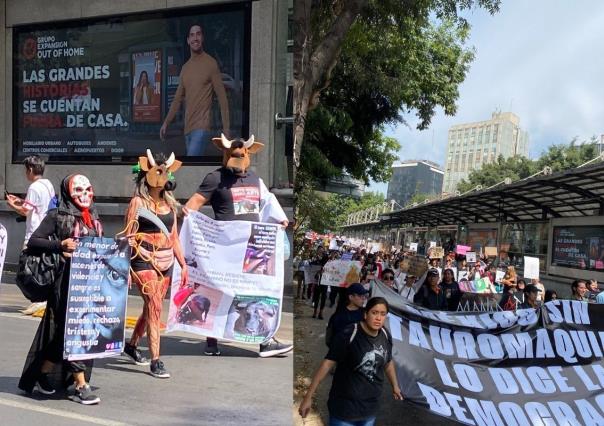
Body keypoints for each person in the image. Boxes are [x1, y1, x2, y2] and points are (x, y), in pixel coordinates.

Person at [184, 134, 292, 358]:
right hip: (225, 247)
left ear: (248, 155)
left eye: (243, 154)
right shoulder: (215, 178)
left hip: (254, 246)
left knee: (257, 290)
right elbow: (193, 204)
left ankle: (265, 341)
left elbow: (268, 201)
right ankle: (211, 340)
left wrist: (280, 219)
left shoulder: (255, 179)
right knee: (219, 288)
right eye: (233, 154)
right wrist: (190, 221)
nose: (239, 158)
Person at [18, 174, 102, 404]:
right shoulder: (57, 215)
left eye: (88, 189)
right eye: (78, 190)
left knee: (61, 336)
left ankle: (41, 373)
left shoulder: (93, 216)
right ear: (68, 192)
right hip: (65, 284)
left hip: (89, 285)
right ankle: (81, 385)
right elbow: (34, 241)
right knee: (74, 330)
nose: (84, 195)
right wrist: (59, 245)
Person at [122, 150, 188, 378]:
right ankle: (156, 360)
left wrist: (183, 264)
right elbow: (128, 236)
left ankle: (131, 346)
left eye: (165, 171)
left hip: (166, 260)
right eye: (158, 171)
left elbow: (174, 237)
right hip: (142, 259)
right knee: (155, 304)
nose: (163, 176)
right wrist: (125, 268)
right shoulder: (137, 202)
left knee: (152, 305)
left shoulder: (170, 206)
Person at [299, 297, 403, 425]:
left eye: (383, 314)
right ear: (365, 314)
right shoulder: (349, 333)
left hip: (369, 410)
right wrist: (308, 396)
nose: (378, 318)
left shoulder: (385, 335)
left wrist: (395, 386)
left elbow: (388, 362)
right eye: (374, 313)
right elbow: (327, 363)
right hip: (344, 410)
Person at [160, 24, 230, 156]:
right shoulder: (185, 68)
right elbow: (177, 99)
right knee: (192, 168)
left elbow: (222, 98)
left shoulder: (211, 63)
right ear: (188, 40)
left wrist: (226, 130)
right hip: (187, 130)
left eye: (198, 34)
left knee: (190, 161)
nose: (195, 38)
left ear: (202, 37)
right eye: (192, 35)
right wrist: (166, 122)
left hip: (202, 128)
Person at [7, 155, 55, 247]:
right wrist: (20, 200)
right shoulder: (48, 183)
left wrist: (11, 205)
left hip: (34, 234)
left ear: (30, 170)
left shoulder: (34, 187)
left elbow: (25, 211)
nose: (25, 173)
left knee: (26, 259)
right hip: (46, 231)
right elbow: (38, 204)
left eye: (26, 170)